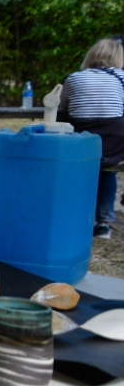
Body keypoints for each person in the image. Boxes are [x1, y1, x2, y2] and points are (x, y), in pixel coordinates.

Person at [60, 38, 124, 239]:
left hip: (82, 141)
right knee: (107, 171)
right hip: (113, 143)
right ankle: (103, 222)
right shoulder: (121, 77)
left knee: (85, 168)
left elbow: (62, 110)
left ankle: (77, 218)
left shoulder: (73, 78)